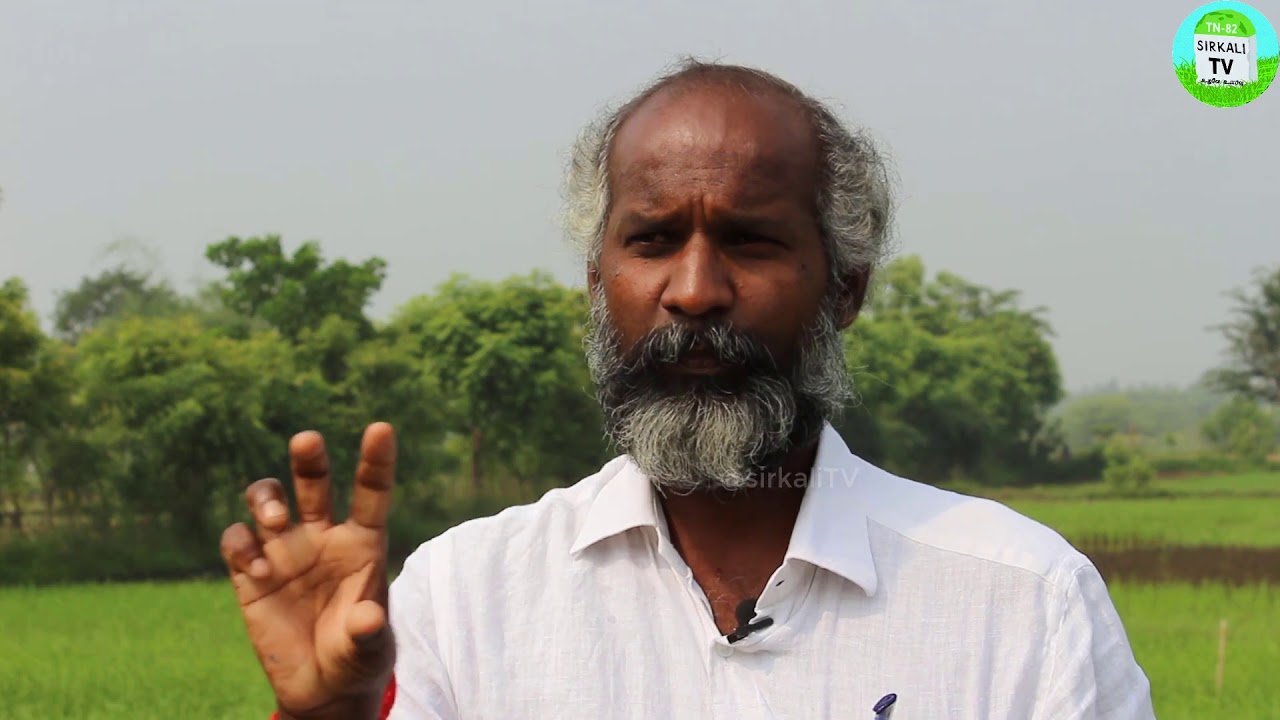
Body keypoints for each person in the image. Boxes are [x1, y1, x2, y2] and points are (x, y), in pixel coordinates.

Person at [220, 59, 1156, 719]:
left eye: (750, 240)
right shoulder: (466, 599)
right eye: (653, 239)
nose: (695, 290)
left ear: (845, 289)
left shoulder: (1021, 601)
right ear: (599, 281)